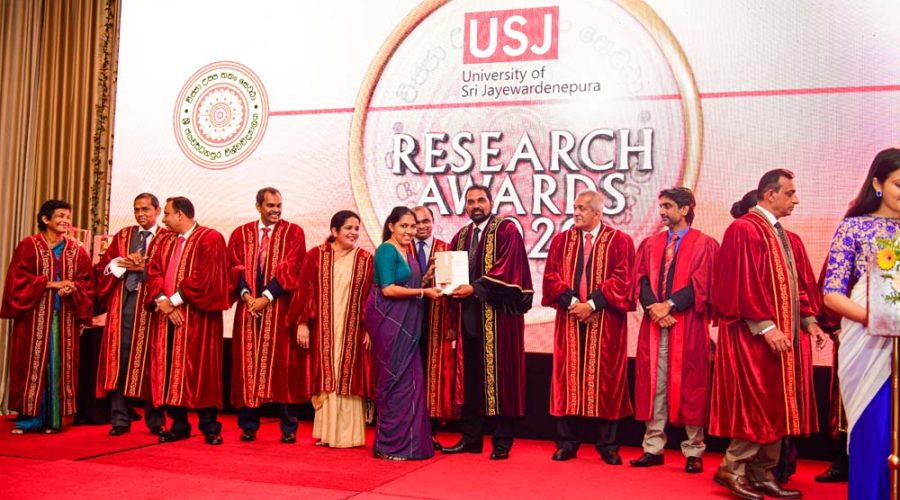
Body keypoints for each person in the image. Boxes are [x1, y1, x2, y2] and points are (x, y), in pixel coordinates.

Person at [710, 170, 827, 500]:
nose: (796, 200)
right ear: (769, 194)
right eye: (790, 193)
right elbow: (741, 284)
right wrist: (766, 326)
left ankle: (762, 473)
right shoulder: (744, 229)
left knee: (777, 404)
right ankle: (732, 468)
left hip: (782, 338)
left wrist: (809, 322)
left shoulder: (782, 235)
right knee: (757, 403)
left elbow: (795, 286)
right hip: (755, 339)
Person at [823, 148, 900, 499]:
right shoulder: (854, 227)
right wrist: (880, 318)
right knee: (875, 434)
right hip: (868, 343)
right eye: (899, 184)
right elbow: (831, 294)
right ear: (878, 184)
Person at [542, 190, 634, 464]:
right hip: (570, 318)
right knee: (567, 379)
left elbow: (623, 278)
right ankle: (567, 443)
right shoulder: (561, 241)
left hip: (606, 322)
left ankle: (608, 445)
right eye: (575, 207)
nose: (576, 212)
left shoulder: (620, 241)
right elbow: (551, 277)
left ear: (597, 212)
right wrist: (575, 304)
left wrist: (592, 305)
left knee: (606, 379)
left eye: (582, 208)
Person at [442, 185, 533, 460]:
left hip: (500, 319)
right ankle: (471, 439)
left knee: (503, 379)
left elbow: (507, 268)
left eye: (480, 200)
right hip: (471, 319)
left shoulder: (506, 230)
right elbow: (451, 276)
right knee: (471, 381)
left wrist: (475, 288)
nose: (475, 206)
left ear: (491, 202)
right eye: (470, 202)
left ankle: (502, 441)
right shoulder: (460, 237)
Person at [631, 187, 718, 473]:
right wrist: (654, 309)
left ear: (685, 209)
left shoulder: (704, 244)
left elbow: (702, 283)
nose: (662, 212)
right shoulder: (651, 244)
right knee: (654, 385)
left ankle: (694, 450)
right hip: (655, 326)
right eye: (661, 206)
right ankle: (652, 447)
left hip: (688, 325)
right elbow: (641, 280)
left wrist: (669, 306)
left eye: (668, 206)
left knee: (692, 386)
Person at [1, 199, 93, 434]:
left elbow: (87, 282)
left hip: (64, 318)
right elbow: (17, 281)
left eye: (68, 217)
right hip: (34, 318)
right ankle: (28, 419)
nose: (65, 221)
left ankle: (54, 420)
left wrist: (73, 286)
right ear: (45, 219)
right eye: (60, 216)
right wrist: (50, 283)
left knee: (58, 366)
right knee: (32, 367)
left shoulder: (77, 250)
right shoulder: (29, 246)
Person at [144, 197, 229, 445]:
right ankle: (179, 425)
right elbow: (154, 272)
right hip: (167, 317)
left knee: (201, 372)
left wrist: (174, 300)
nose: (163, 219)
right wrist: (163, 301)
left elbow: (207, 277)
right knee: (170, 369)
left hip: (198, 319)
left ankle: (210, 427)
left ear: (180, 215)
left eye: (167, 213)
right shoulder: (165, 240)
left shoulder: (210, 238)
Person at [228, 187, 309, 444]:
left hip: (279, 309)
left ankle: (288, 427)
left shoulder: (293, 232)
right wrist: (246, 295)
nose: (276, 210)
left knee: (282, 367)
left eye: (278, 205)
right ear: (258, 206)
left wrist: (266, 297)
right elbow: (234, 268)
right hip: (248, 308)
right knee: (247, 367)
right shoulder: (241, 233)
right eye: (270, 205)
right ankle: (248, 426)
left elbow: (292, 267)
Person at [365, 206, 442, 460]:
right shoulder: (386, 250)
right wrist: (423, 292)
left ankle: (409, 445)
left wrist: (426, 278)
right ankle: (388, 446)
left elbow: (408, 284)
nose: (410, 231)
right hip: (389, 323)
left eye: (413, 226)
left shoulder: (407, 250)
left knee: (411, 383)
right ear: (391, 226)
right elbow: (388, 289)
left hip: (407, 324)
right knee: (395, 383)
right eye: (404, 226)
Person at [292, 210, 373, 448]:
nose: (354, 233)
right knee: (327, 375)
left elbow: (371, 298)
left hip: (352, 331)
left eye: (356, 228)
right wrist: (302, 323)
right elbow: (304, 291)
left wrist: (370, 328)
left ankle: (349, 436)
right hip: (323, 329)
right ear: (334, 231)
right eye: (348, 228)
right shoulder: (315, 256)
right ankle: (328, 433)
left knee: (347, 377)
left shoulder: (365, 259)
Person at [95, 193, 166, 436]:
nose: (140, 214)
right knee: (119, 360)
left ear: (157, 211)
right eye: (137, 209)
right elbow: (103, 267)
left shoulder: (166, 238)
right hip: (124, 304)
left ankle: (155, 420)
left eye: (146, 209)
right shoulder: (124, 235)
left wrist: (144, 268)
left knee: (152, 362)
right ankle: (120, 419)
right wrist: (119, 264)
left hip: (152, 306)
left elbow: (170, 271)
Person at [412, 205, 457, 449]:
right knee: (411, 374)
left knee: (434, 374)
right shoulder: (403, 248)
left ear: (433, 222)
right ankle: (410, 426)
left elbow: (453, 291)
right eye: (417, 222)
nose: (422, 226)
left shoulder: (445, 249)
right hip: (408, 320)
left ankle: (429, 428)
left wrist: (452, 322)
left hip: (437, 320)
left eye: (426, 221)